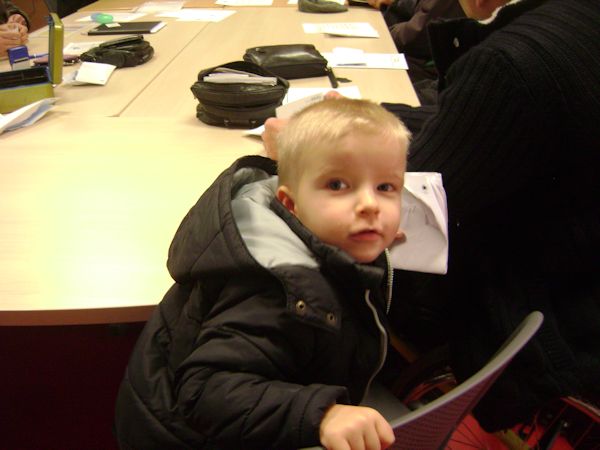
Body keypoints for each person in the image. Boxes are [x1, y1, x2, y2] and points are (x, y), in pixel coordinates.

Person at [263, 0, 600, 432]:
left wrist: (301, 152)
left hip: (539, 326)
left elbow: (393, 215)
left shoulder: (513, 62)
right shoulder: (577, 19)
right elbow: (473, 119)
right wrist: (365, 118)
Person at [114, 98, 411, 450]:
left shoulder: (324, 239)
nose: (370, 205)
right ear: (291, 204)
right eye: (337, 185)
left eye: (385, 187)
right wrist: (322, 414)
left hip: (267, 402)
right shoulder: (273, 288)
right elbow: (205, 392)